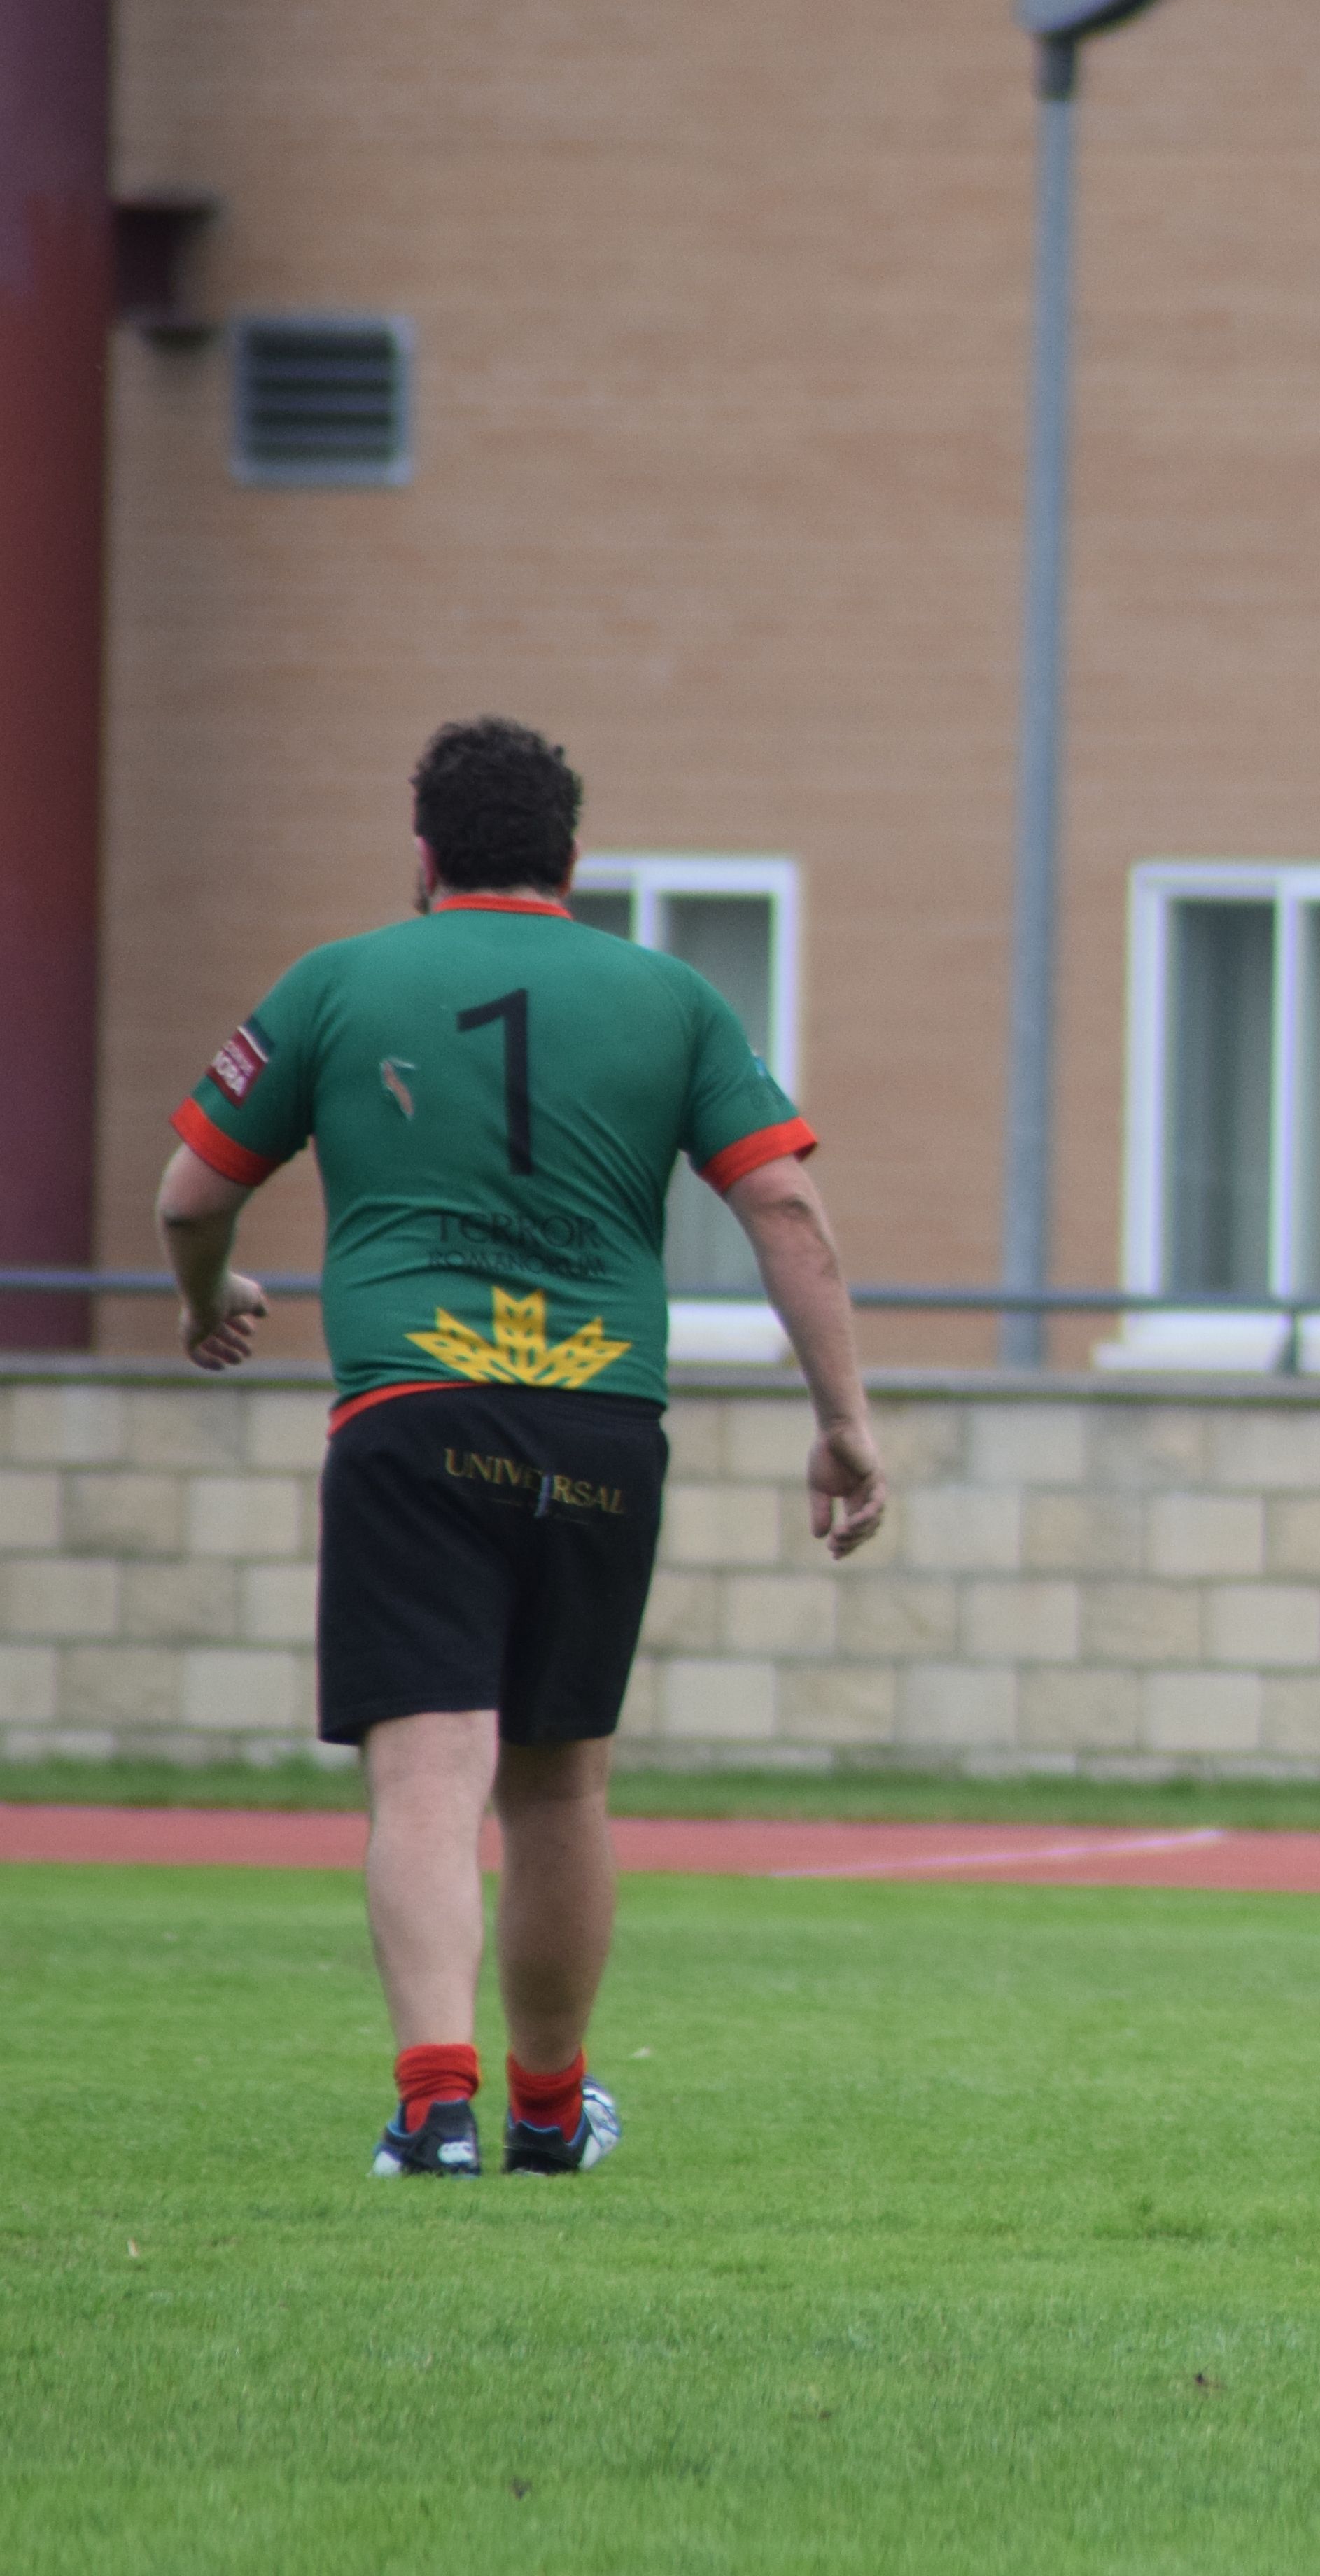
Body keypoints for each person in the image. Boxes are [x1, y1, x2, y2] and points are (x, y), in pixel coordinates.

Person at [161, 718, 888, 2179]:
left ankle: (435, 2109)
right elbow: (788, 1214)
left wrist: (209, 1298)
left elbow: (190, 1193)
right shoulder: (673, 997)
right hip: (599, 1425)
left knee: (427, 1779)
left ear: (422, 852)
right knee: (561, 1783)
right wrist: (845, 1422)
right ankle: (551, 2112)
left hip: (413, 1412)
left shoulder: (337, 981)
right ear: (572, 856)